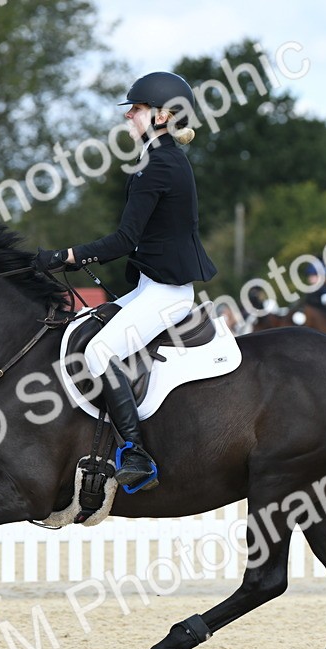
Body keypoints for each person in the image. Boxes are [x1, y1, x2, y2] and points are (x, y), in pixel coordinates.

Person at [33, 71, 216, 492]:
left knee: (97, 352)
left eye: (136, 109)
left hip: (167, 294)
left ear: (163, 116)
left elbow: (123, 240)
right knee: (88, 327)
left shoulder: (158, 165)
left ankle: (136, 452)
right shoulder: (160, 161)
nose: (129, 117)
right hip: (151, 286)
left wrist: (66, 256)